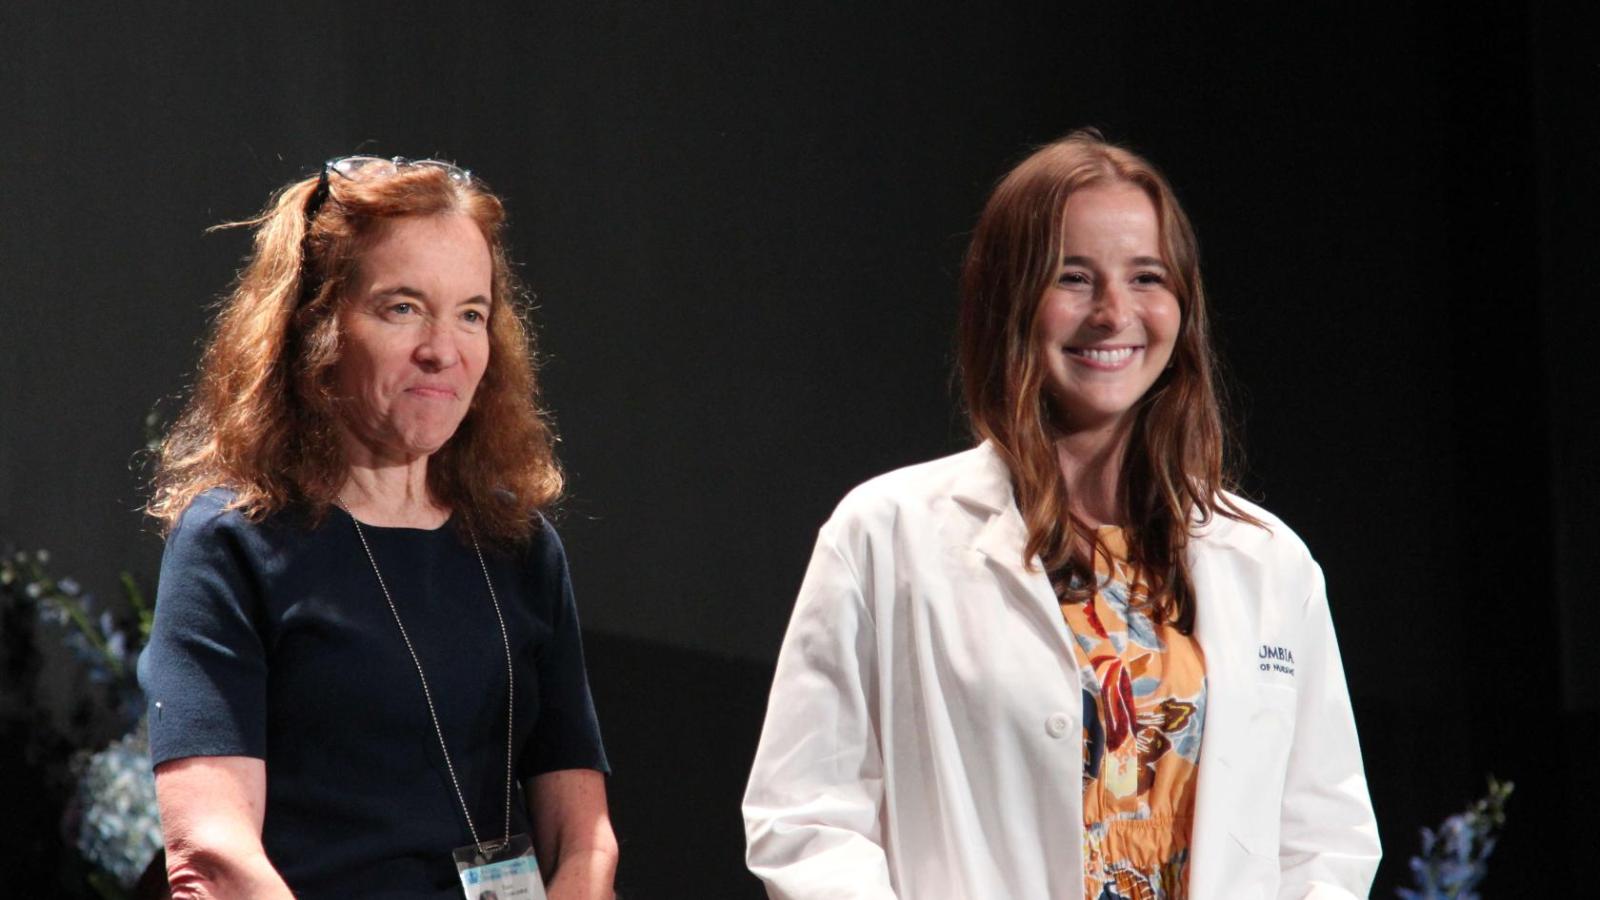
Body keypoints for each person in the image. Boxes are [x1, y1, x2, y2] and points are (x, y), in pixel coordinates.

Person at [742, 131, 1380, 899]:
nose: (1114, 313)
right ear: (1010, 298)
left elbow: (1323, 843)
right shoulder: (885, 535)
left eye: (1147, 277)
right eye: (1074, 278)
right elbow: (807, 820)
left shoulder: (1269, 563)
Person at [140, 156, 617, 899]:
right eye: (402, 307)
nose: (444, 349)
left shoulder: (519, 546)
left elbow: (584, 842)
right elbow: (212, 851)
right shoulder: (235, 542)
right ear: (316, 327)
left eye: (471, 313)